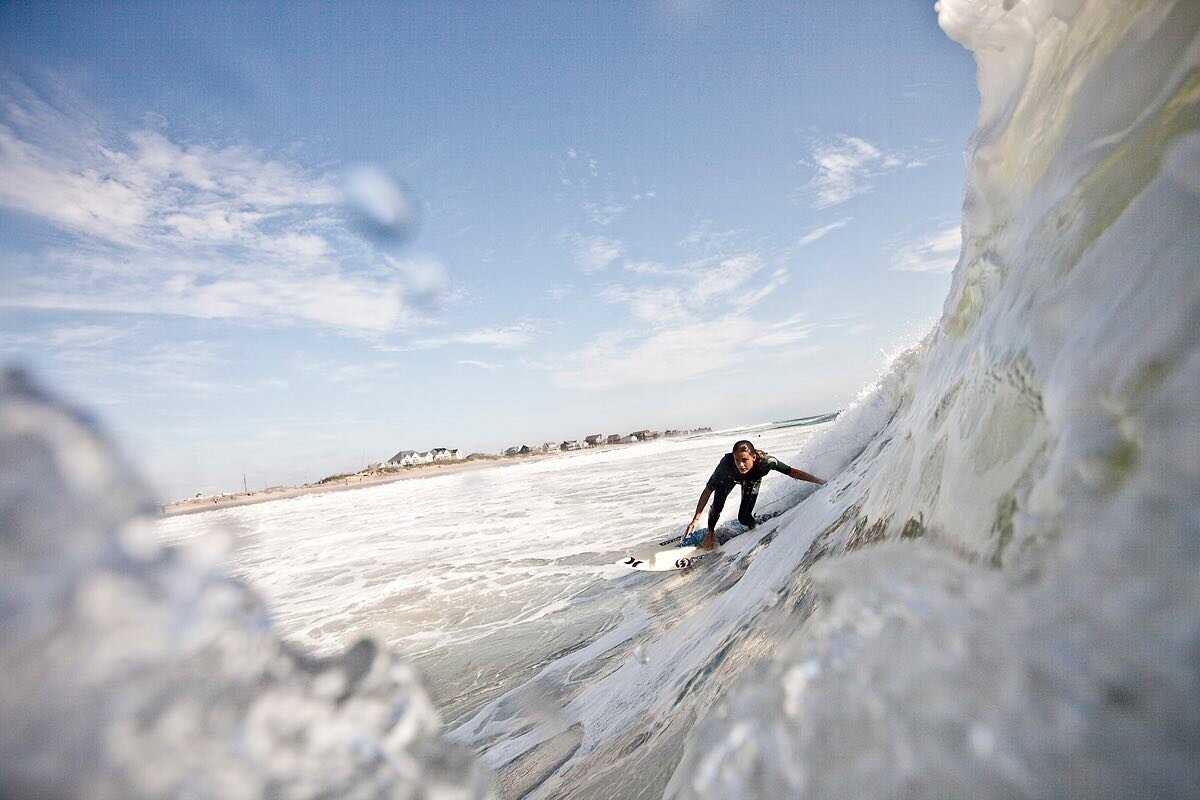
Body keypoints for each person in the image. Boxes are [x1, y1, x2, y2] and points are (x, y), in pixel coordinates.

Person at [685, 439, 825, 550]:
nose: (740, 465)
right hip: (728, 479)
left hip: (751, 481)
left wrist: (819, 481)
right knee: (716, 507)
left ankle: (755, 527)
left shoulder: (766, 462)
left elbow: (792, 472)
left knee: (744, 518)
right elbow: (708, 490)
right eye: (737, 460)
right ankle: (710, 533)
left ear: (753, 457)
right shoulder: (726, 465)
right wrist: (696, 519)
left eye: (745, 460)